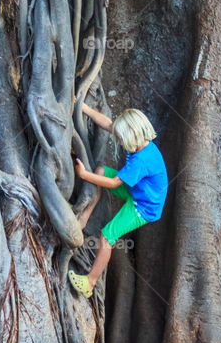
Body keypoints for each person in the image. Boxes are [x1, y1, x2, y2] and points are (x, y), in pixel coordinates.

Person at [69, 102, 168, 298]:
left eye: (122, 139)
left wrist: (83, 175)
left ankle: (90, 282)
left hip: (144, 207)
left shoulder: (141, 161)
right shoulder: (139, 140)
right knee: (100, 171)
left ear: (132, 135)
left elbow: (114, 183)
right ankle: (84, 218)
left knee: (108, 236)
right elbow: (108, 124)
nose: (120, 143)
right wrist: (83, 107)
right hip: (137, 190)